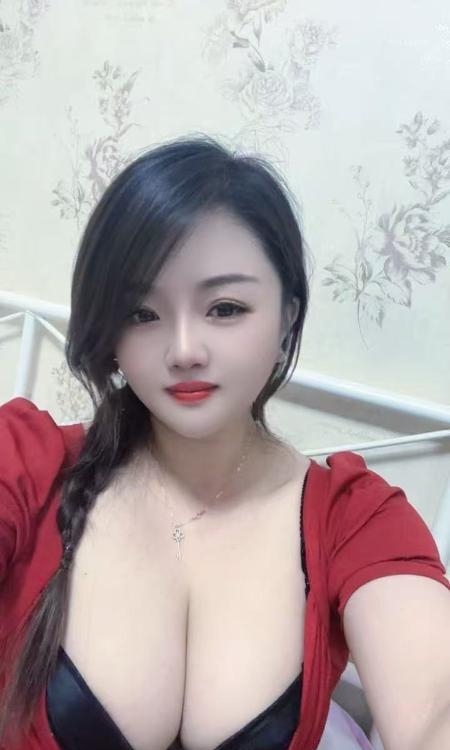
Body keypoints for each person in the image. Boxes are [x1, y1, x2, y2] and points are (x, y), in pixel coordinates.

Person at [0, 134, 449, 750]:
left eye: (226, 308)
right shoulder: (26, 465)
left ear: (288, 317)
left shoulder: (354, 518)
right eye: (141, 314)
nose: (184, 350)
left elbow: (434, 707)